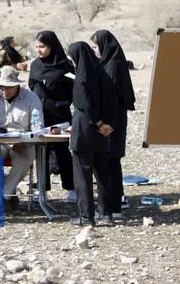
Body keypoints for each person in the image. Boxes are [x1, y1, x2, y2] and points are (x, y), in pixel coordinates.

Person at [0, 65, 43, 212]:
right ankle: (9, 191)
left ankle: (3, 197)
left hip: (23, 143)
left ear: (17, 85)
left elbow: (37, 126)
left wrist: (25, 140)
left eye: (8, 87)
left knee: (25, 159)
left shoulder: (31, 98)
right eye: (1, 87)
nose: (4, 90)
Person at [67, 41, 116, 226]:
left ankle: (86, 216)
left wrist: (98, 122)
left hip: (84, 130)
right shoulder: (102, 74)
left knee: (82, 175)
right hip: (102, 133)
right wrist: (107, 125)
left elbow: (85, 104)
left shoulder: (81, 77)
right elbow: (112, 102)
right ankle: (106, 214)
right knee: (103, 174)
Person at [90, 30, 136, 215]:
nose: (94, 51)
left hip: (112, 120)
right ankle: (114, 203)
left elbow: (109, 96)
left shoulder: (113, 66)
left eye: (95, 47)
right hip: (112, 119)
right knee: (110, 162)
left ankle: (114, 203)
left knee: (110, 161)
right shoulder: (109, 63)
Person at [28, 31, 76, 203]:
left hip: (60, 115)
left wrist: (60, 103)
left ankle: (71, 188)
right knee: (41, 152)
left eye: (42, 47)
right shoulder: (35, 65)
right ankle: (42, 189)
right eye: (37, 47)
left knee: (62, 152)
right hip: (39, 116)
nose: (38, 50)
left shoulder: (65, 66)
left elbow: (73, 90)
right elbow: (32, 86)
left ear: (51, 46)